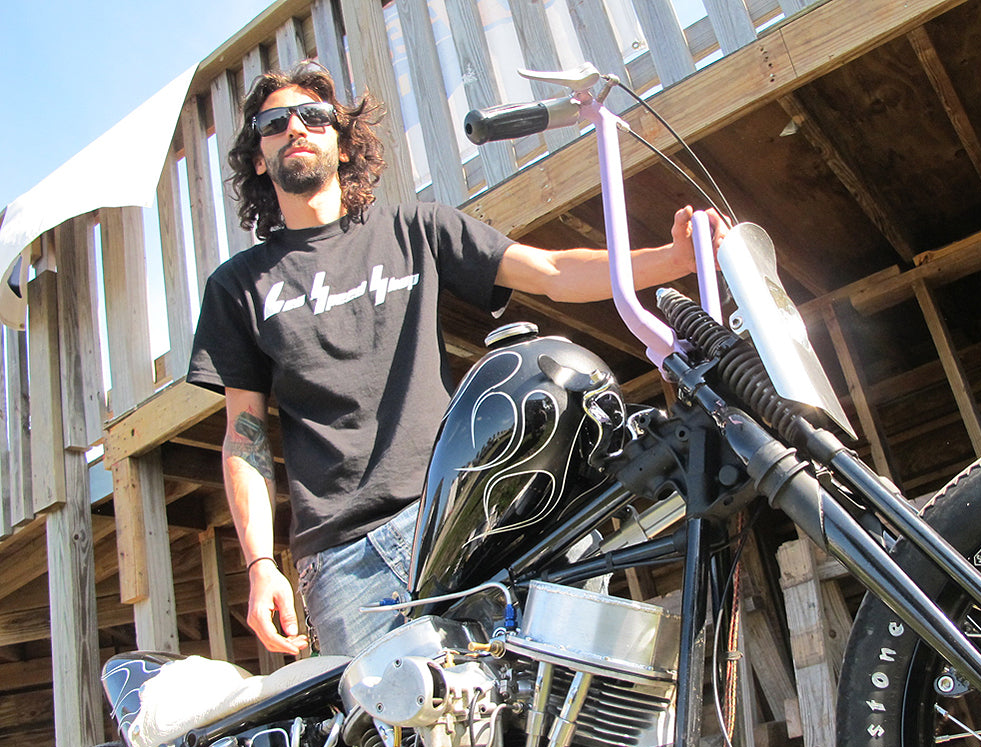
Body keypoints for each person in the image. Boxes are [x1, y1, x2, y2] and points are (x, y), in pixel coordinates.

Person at [188, 61, 724, 658]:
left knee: (545, 710)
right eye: (274, 122)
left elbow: (550, 271)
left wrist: (672, 260)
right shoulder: (237, 287)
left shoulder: (414, 229)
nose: (296, 128)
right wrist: (261, 564)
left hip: (462, 513)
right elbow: (244, 435)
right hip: (345, 561)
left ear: (342, 145)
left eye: (314, 116)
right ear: (259, 158)